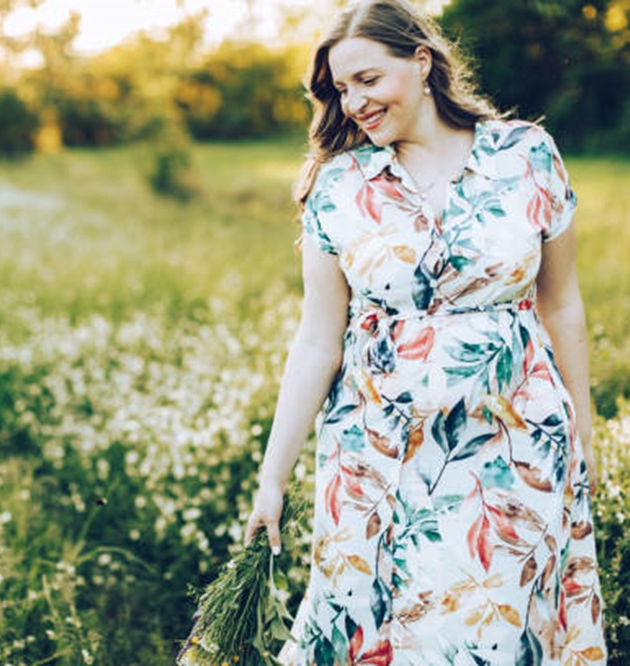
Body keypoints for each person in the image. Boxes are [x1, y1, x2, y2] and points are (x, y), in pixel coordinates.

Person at [243, 0, 607, 663]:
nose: (353, 102)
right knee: (374, 635)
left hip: (514, 448)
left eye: (367, 80)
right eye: (340, 89)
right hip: (374, 458)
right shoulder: (339, 185)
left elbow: (561, 304)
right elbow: (319, 339)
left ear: (422, 62)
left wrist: (581, 423)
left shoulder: (527, 155)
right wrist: (274, 477)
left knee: (494, 634)